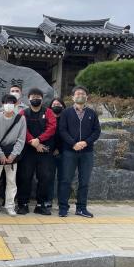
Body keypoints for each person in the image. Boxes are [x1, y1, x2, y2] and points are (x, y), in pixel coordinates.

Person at [58, 86, 101, 218]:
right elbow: (62, 130)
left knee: (84, 181)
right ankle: (63, 208)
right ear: (72, 97)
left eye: (83, 94)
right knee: (66, 180)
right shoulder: (66, 112)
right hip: (69, 151)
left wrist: (85, 142)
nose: (80, 95)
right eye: (77, 94)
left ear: (87, 97)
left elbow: (96, 131)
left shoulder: (92, 113)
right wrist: (73, 143)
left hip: (87, 152)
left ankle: (81, 208)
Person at [16, 88, 56, 215]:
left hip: (44, 150)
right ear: (28, 98)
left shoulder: (48, 112)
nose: (35, 98)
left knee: (44, 177)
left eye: (38, 96)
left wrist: (38, 140)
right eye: (33, 96)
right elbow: (22, 129)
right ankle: (23, 204)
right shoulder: (23, 112)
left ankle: (41, 205)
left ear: (42, 99)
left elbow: (52, 128)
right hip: (28, 150)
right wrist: (32, 142)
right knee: (25, 177)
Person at [0, 94, 26, 216]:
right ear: (2, 104)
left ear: (16, 104)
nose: (9, 105)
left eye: (12, 103)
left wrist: (13, 155)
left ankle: (10, 205)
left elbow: (21, 139)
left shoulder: (20, 119)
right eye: (7, 102)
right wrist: (0, 154)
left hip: (13, 154)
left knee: (11, 181)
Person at [46, 98, 66, 208]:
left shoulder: (66, 118)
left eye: (59, 104)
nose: (56, 106)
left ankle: (62, 201)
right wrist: (52, 148)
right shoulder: (47, 118)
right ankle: (48, 200)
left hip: (64, 152)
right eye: (54, 104)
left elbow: (67, 135)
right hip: (49, 152)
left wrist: (59, 148)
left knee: (63, 178)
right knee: (49, 177)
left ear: (63, 106)